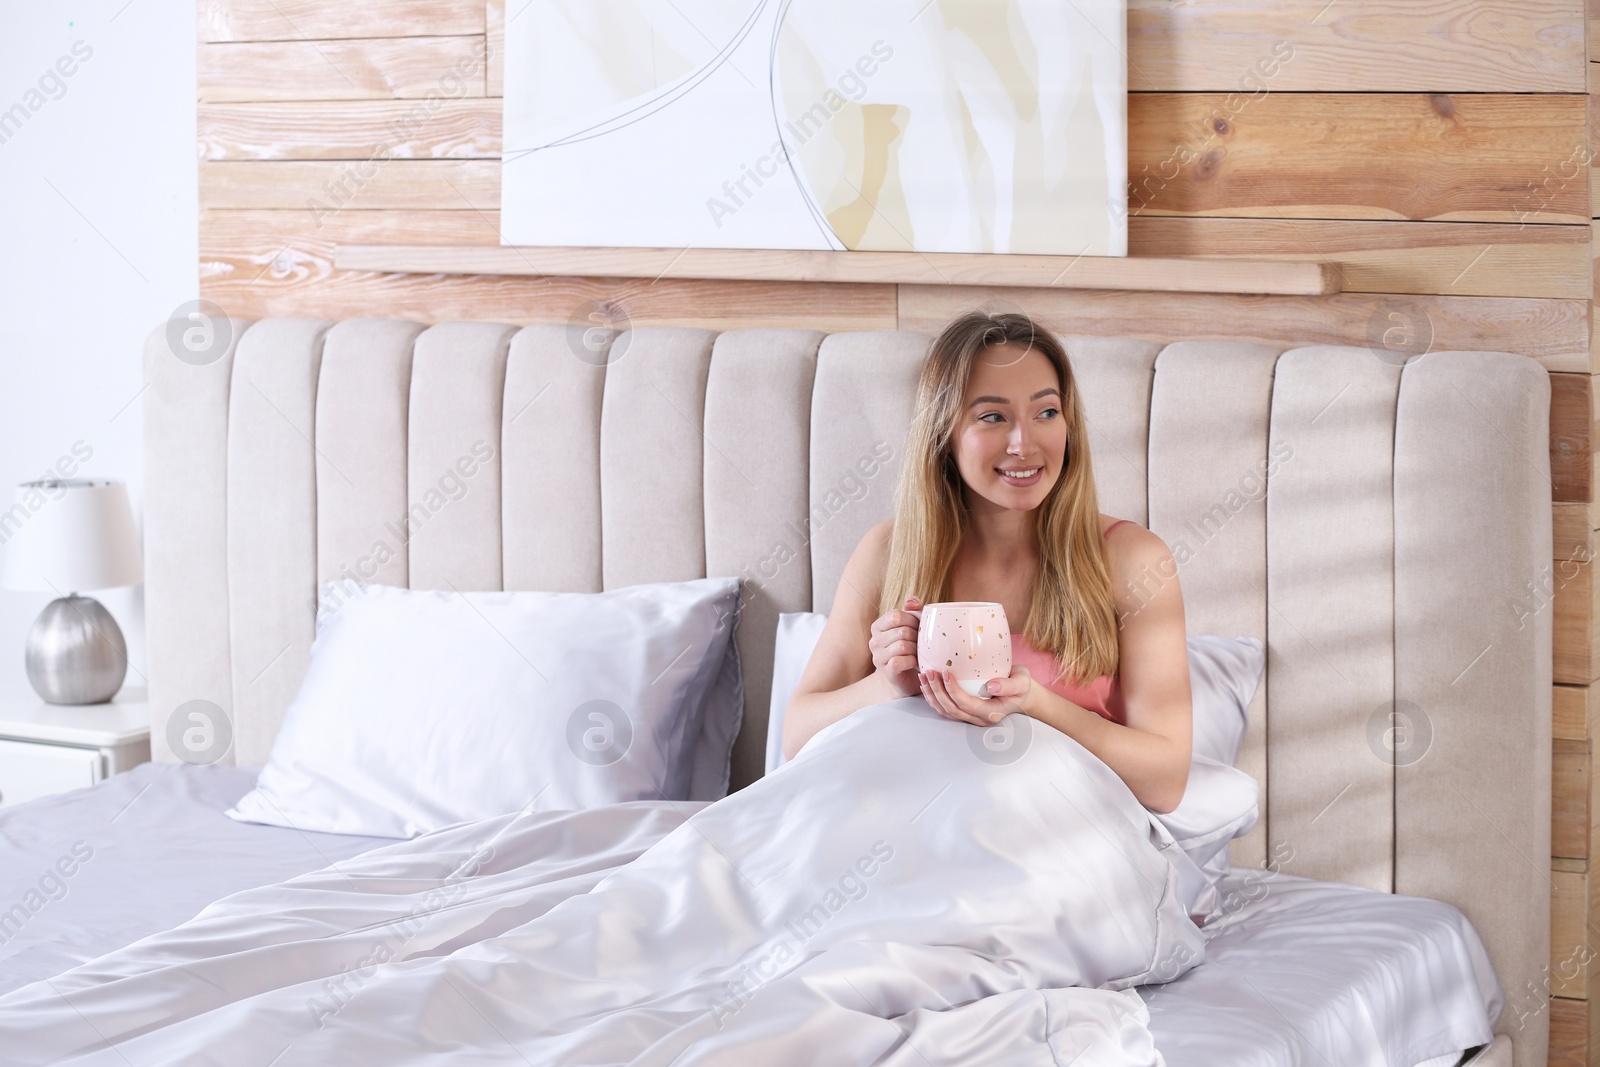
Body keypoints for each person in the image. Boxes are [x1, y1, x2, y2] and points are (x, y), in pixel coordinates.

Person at [783, 310, 1193, 813]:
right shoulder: (890, 552)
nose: (1025, 443)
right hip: (903, 822)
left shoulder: (1131, 560)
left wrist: (1036, 704)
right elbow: (796, 737)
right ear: (944, 434)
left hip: (1060, 836)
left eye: (1046, 412)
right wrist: (887, 686)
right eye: (993, 417)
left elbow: (1166, 783)